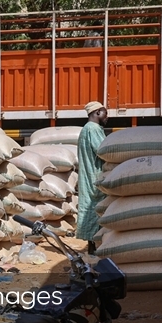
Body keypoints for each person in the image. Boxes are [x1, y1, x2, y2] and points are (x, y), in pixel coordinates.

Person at [76, 101, 108, 254]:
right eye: (104, 113)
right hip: (95, 176)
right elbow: (103, 151)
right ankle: (95, 248)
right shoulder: (93, 129)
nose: (106, 117)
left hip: (88, 176)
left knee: (90, 210)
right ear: (97, 113)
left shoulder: (85, 129)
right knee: (97, 210)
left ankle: (91, 247)